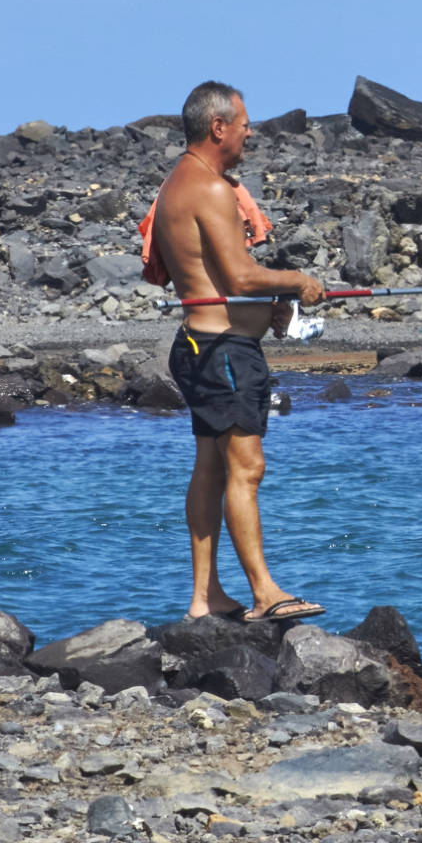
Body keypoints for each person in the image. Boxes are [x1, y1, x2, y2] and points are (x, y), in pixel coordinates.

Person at [150, 82, 328, 624]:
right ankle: (265, 592)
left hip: (202, 344)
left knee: (210, 468)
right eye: (245, 122)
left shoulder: (180, 183)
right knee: (246, 469)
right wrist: (297, 281)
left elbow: (222, 282)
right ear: (218, 127)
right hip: (224, 352)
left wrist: (268, 303)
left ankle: (206, 600)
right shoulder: (208, 189)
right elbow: (239, 274)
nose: (252, 131)